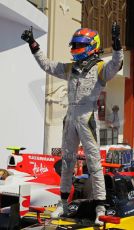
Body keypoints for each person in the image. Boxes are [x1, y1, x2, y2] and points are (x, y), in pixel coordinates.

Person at [21, 22, 123, 225]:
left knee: (94, 164)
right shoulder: (71, 68)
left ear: (91, 45)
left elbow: (116, 64)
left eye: (79, 45)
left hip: (88, 118)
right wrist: (33, 45)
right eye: (74, 45)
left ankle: (100, 207)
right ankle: (63, 204)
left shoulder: (101, 67)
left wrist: (117, 44)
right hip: (70, 118)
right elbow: (47, 65)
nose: (74, 49)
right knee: (67, 162)